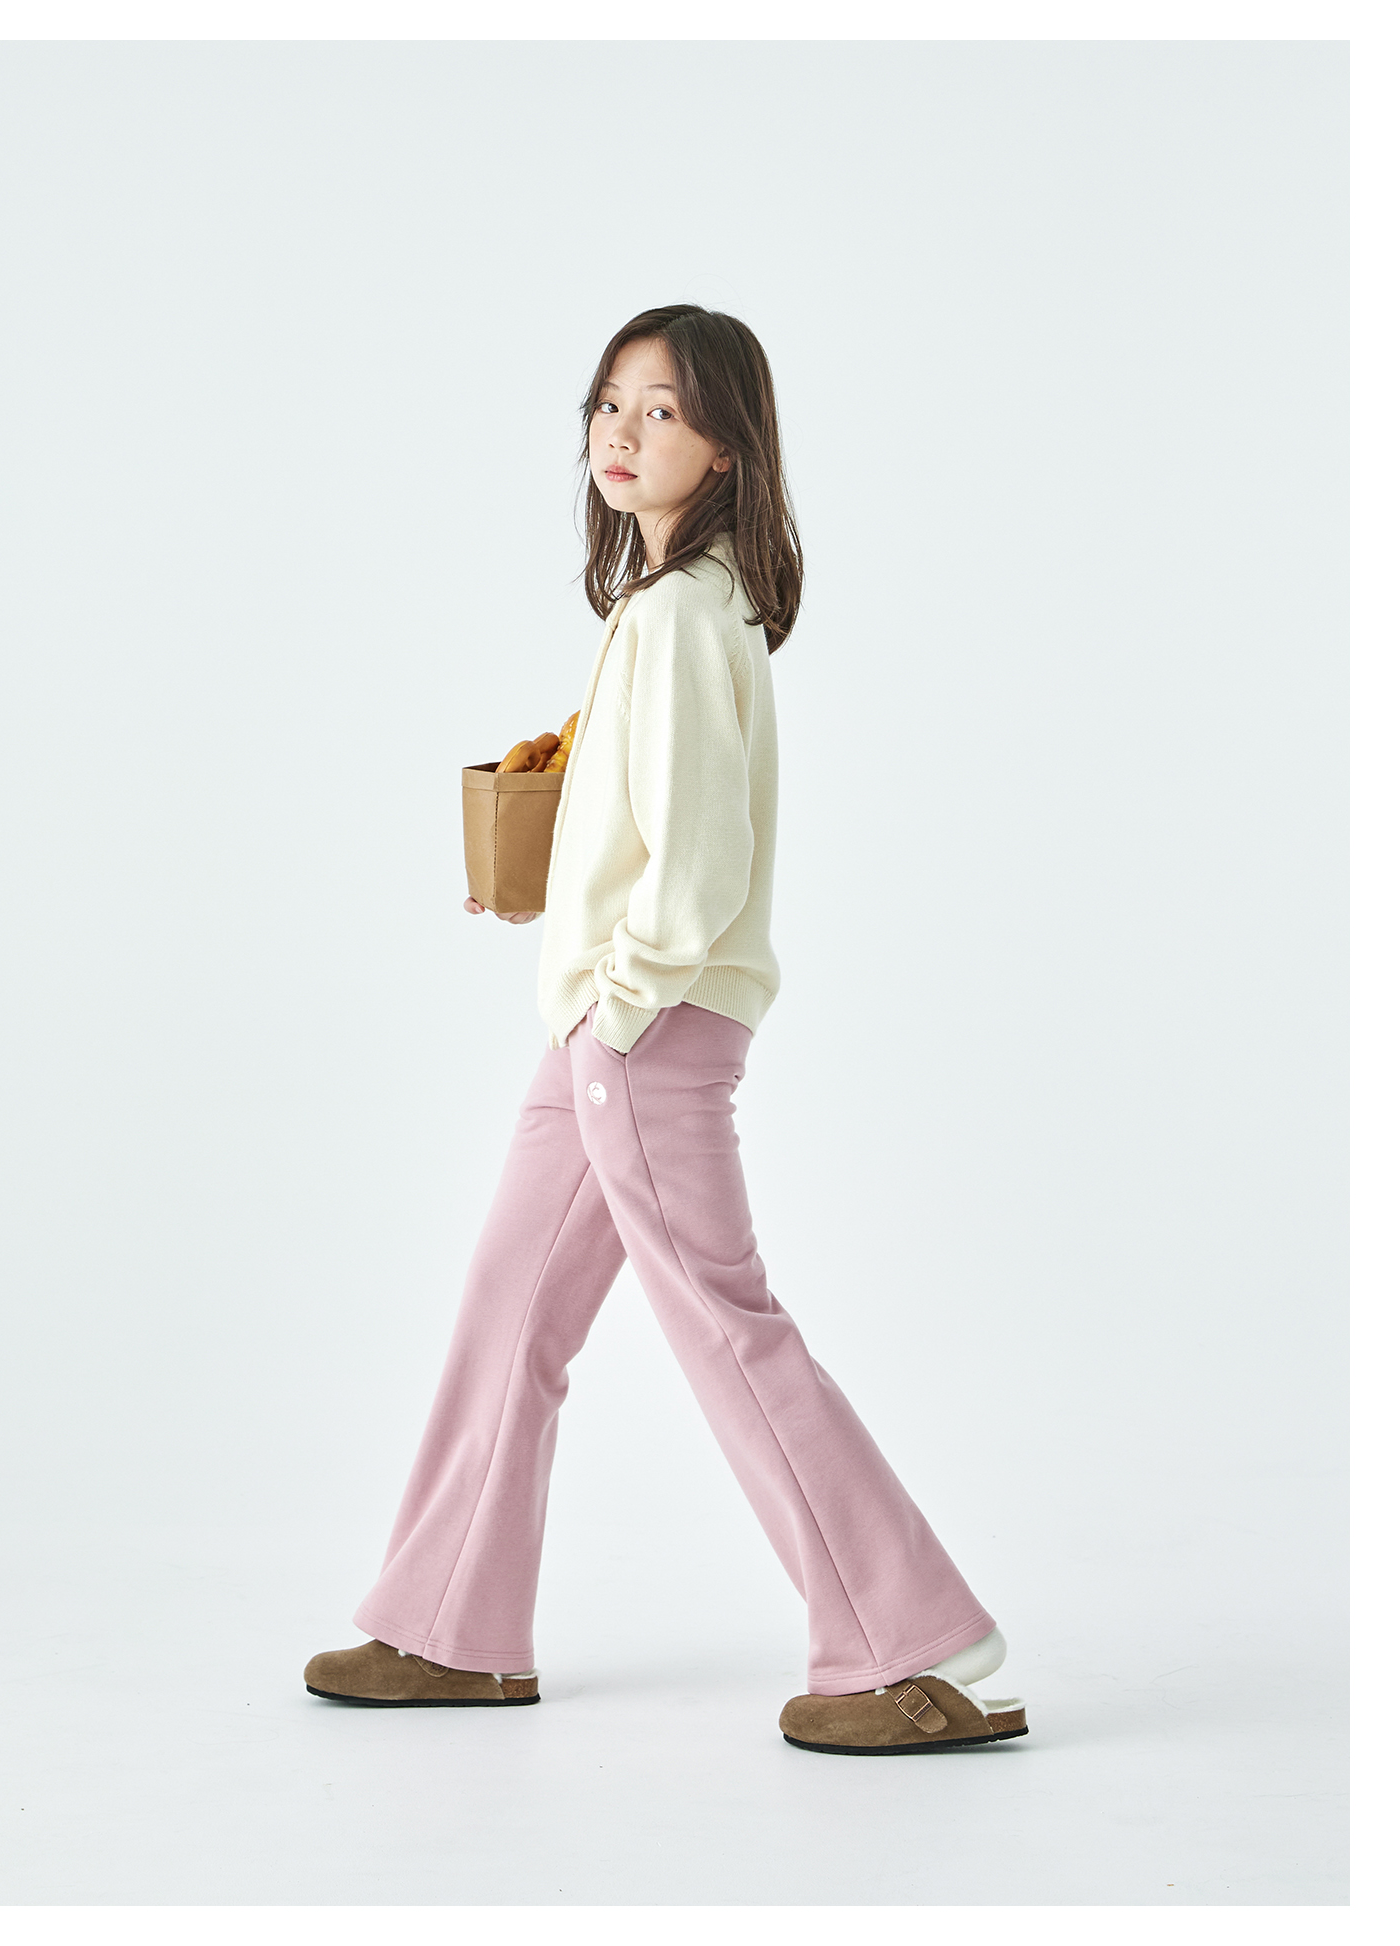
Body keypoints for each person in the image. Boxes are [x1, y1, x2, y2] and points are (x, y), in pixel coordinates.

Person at [303, 305, 1027, 1755]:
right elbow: (650, 826)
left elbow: (698, 870)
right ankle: (450, 1628)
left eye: (666, 412)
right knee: (511, 1304)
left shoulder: (687, 616)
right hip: (605, 1025)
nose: (624, 434)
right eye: (610, 404)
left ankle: (925, 1648)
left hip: (642, 1032)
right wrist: (559, 899)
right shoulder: (661, 607)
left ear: (728, 450)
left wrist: (615, 999)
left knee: (722, 1324)